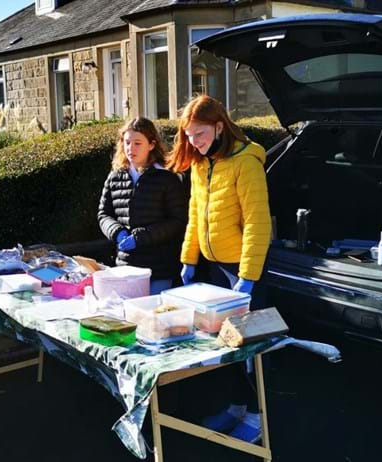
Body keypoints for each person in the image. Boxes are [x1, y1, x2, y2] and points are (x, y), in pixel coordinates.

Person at [169, 95, 272, 442]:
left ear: (218, 126)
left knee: (249, 349)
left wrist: (248, 277)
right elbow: (195, 216)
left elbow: (258, 223)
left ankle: (258, 418)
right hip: (214, 271)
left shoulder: (246, 161)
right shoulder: (201, 165)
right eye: (188, 136)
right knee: (222, 345)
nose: (193, 143)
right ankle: (237, 407)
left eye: (199, 134)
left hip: (242, 270)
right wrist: (188, 258)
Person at [98, 117, 187, 295]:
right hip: (126, 266)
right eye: (127, 142)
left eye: (138, 143)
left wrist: (141, 237)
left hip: (159, 268)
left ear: (152, 145)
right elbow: (103, 214)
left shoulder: (167, 178)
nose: (131, 148)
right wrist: (116, 232)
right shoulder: (115, 177)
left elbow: (177, 221)